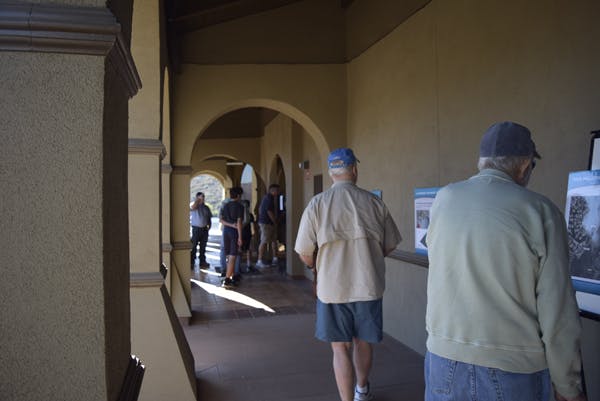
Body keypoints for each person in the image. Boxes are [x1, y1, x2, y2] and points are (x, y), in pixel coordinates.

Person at [425, 121, 586, 401]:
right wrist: (568, 386)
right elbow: (557, 310)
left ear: (482, 162)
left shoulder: (444, 199)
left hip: (443, 359)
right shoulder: (540, 211)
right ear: (524, 165)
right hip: (513, 369)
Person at [295, 148, 401, 401]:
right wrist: (367, 258)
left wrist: (316, 267)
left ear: (332, 173)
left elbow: (305, 253)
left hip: (332, 289)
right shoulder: (374, 203)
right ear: (354, 169)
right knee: (363, 341)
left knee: (340, 348)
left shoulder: (317, 205)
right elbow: (390, 244)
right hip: (368, 285)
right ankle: (362, 390)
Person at [219, 187, 244, 288]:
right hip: (234, 232)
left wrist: (230, 225)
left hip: (226, 231)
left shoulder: (226, 205)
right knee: (233, 256)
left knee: (228, 255)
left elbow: (221, 220)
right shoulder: (240, 206)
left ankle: (231, 277)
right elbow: (239, 222)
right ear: (238, 196)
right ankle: (227, 280)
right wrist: (240, 237)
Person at [256, 184, 280, 268]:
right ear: (272, 190)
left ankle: (275, 258)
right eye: (277, 190)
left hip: (268, 223)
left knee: (274, 240)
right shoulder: (268, 198)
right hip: (266, 223)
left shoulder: (267, 198)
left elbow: (260, 209)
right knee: (264, 241)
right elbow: (269, 211)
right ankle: (259, 260)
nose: (278, 192)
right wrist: (274, 221)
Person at [190, 191, 212, 269]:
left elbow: (209, 218)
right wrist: (198, 200)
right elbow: (193, 207)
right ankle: (191, 262)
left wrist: (209, 227)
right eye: (201, 197)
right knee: (193, 246)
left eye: (203, 197)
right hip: (196, 229)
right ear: (197, 198)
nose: (202, 199)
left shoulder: (206, 207)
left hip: (204, 230)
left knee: (203, 247)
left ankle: (202, 262)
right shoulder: (194, 205)